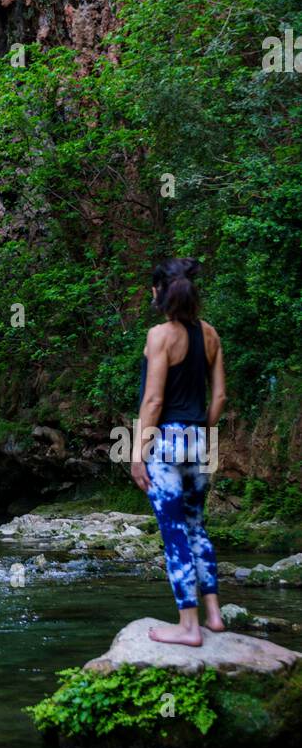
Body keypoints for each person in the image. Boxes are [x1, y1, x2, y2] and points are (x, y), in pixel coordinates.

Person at [130, 257, 227, 646]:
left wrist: (137, 453)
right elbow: (219, 396)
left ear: (159, 292)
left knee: (173, 532)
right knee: (196, 526)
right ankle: (214, 615)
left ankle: (188, 627)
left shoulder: (160, 336)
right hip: (200, 441)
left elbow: (152, 400)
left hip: (167, 441)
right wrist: (201, 428)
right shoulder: (210, 334)